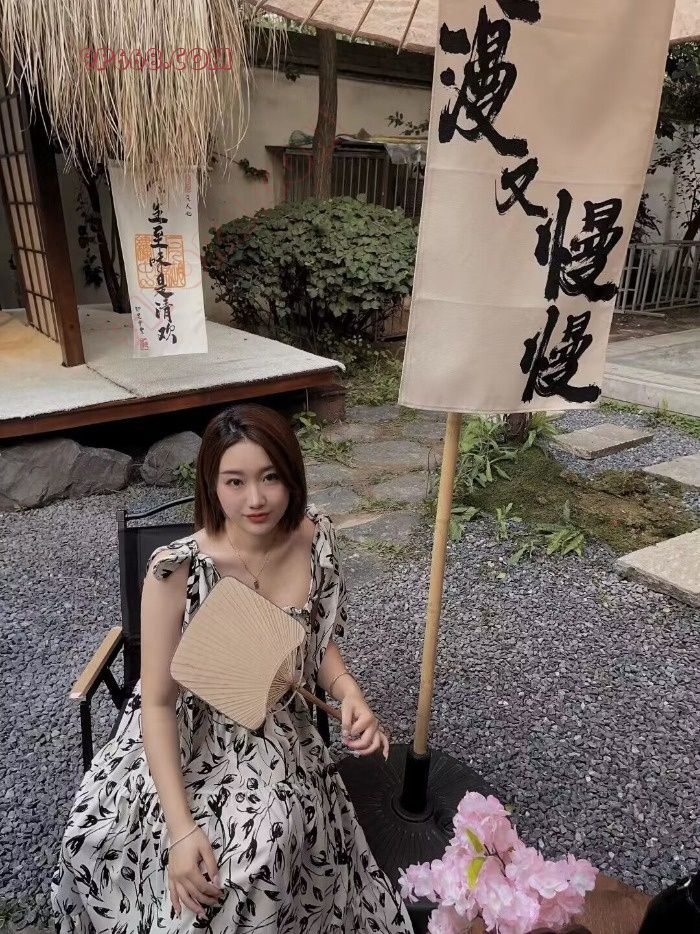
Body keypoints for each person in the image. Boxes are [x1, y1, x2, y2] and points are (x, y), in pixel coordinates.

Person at [51, 403, 413, 933]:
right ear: (211, 484)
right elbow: (157, 704)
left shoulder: (314, 537)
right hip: (179, 731)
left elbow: (315, 643)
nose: (256, 499)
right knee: (101, 839)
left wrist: (348, 691)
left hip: (269, 724)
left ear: (292, 476)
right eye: (235, 481)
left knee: (261, 849)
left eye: (271, 477)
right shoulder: (175, 570)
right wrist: (180, 829)